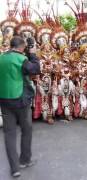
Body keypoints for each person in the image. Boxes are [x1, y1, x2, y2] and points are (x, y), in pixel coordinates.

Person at [0, 36, 40, 177]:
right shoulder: (21, 59)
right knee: (26, 129)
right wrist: (33, 54)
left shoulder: (1, 57)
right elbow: (35, 69)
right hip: (20, 100)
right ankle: (25, 160)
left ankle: (14, 168)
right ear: (22, 47)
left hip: (4, 100)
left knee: (9, 134)